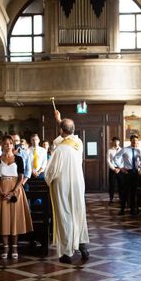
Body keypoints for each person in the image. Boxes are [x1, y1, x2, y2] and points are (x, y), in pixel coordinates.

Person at [44, 111, 89, 264]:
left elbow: (51, 172)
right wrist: (60, 122)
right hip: (78, 184)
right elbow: (65, 138)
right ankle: (82, 245)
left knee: (65, 216)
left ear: (61, 131)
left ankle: (66, 253)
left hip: (63, 186)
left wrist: (48, 179)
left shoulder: (60, 150)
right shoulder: (79, 143)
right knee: (78, 213)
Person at [0, 136, 33, 260]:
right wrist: (1, 191)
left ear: (13, 145)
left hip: (16, 190)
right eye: (5, 144)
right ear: (2, 146)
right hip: (1, 190)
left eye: (10, 143)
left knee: (15, 219)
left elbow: (21, 176)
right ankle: (5, 247)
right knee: (4, 219)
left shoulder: (19, 159)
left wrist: (13, 191)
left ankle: (14, 247)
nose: (8, 145)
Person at [114, 134, 141, 215]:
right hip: (128, 172)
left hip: (136, 173)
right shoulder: (125, 149)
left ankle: (132, 210)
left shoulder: (139, 151)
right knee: (125, 191)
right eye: (133, 140)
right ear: (130, 141)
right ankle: (122, 209)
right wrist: (121, 167)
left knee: (134, 192)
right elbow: (115, 158)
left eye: (136, 141)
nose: (135, 142)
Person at [107, 137, 122, 205]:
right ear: (112, 142)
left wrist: (119, 168)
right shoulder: (109, 150)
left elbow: (123, 161)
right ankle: (111, 199)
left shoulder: (122, 150)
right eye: (114, 141)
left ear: (119, 142)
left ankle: (121, 199)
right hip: (112, 169)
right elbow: (108, 161)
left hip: (120, 169)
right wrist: (114, 169)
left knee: (120, 185)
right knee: (112, 185)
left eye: (117, 141)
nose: (116, 143)